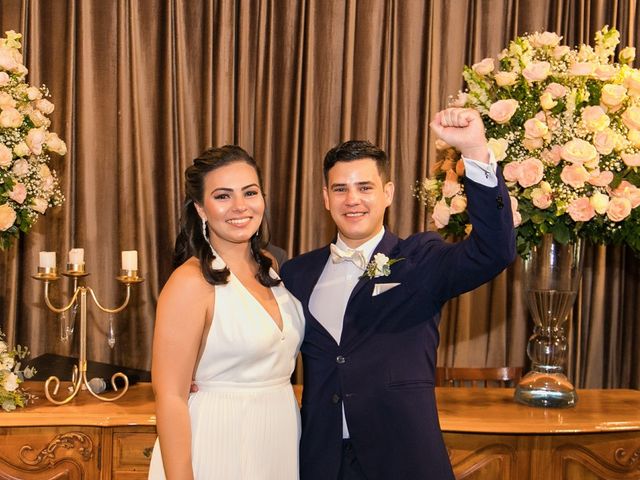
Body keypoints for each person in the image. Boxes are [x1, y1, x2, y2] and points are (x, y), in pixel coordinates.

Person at [280, 107, 516, 480]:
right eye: (340, 189)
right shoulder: (296, 273)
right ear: (326, 198)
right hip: (320, 461)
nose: (351, 199)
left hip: (404, 458)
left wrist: (475, 152)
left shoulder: (420, 259)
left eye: (365, 187)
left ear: (388, 193)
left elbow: (495, 251)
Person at [148, 145, 305, 479]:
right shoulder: (189, 282)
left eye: (250, 192)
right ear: (201, 209)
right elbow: (171, 396)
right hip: (217, 439)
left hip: (277, 437)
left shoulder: (272, 266)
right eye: (222, 196)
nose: (240, 207)